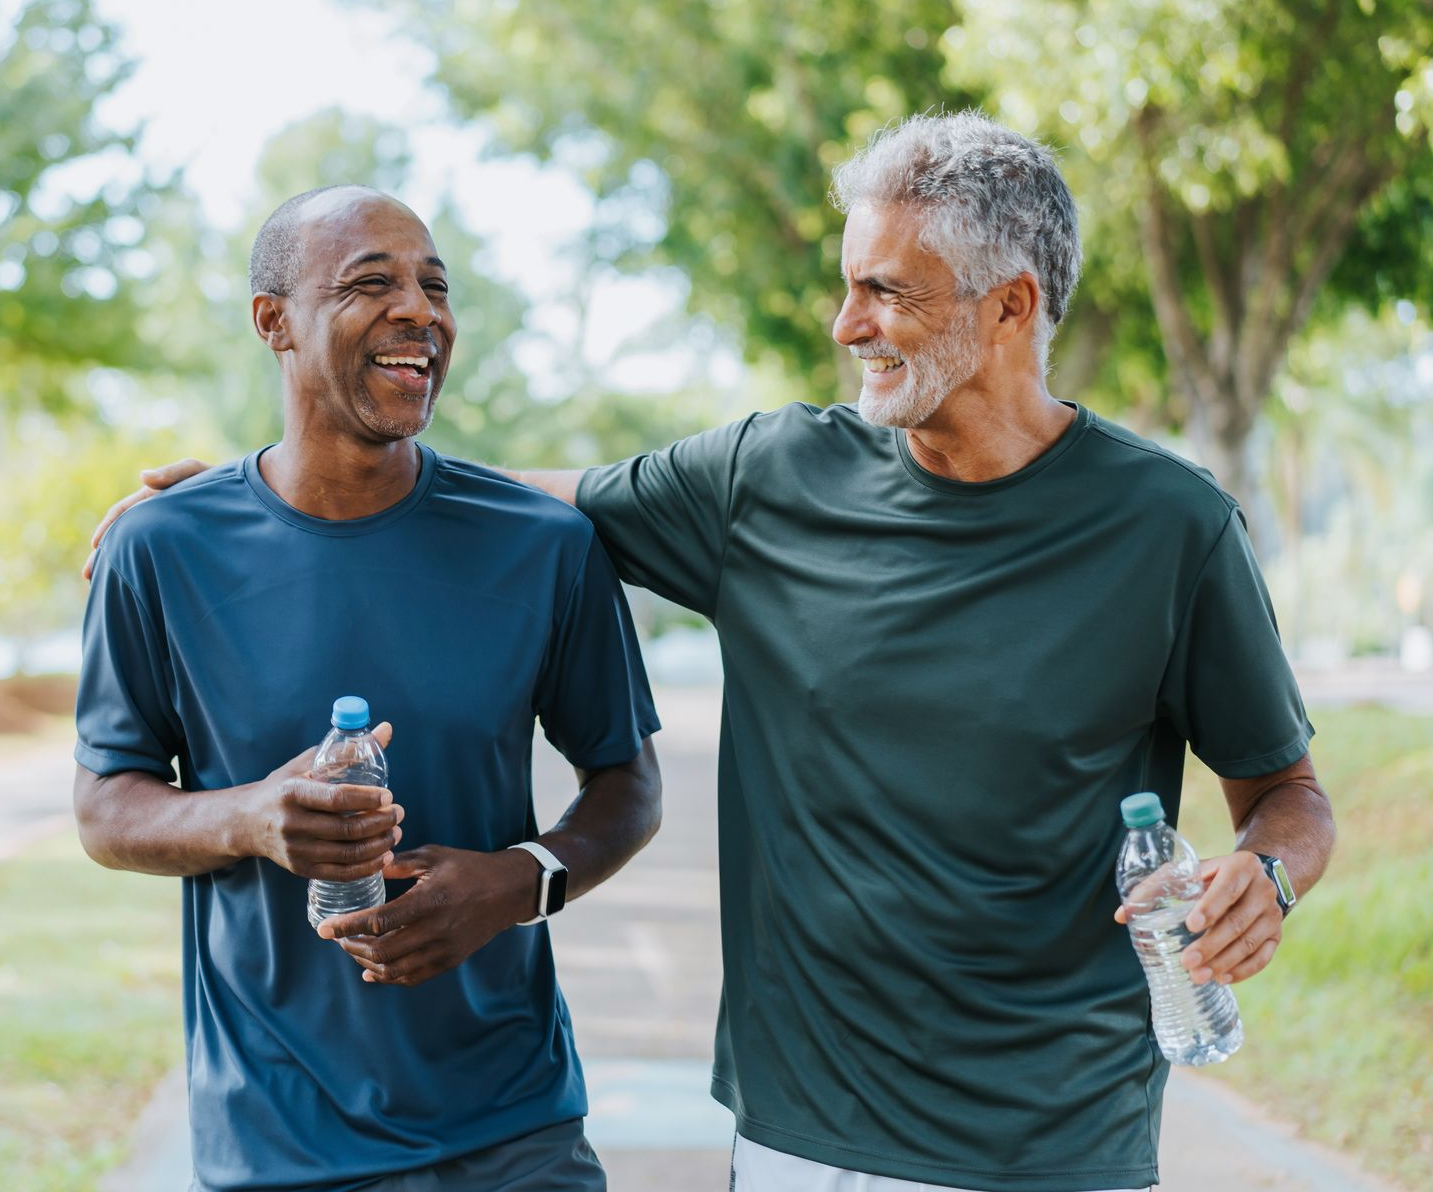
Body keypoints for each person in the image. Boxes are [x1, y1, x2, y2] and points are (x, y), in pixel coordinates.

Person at [90, 113, 1336, 1192]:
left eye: (887, 291)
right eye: (849, 282)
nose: (846, 322)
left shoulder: (1171, 527)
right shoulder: (771, 476)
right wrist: (260, 490)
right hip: (803, 1131)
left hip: (1060, 1134)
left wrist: (1263, 877)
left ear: (1010, 305)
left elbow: (1287, 794)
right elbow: (528, 499)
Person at [74, 185, 662, 1192]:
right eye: (370, 283)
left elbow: (628, 783)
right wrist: (254, 816)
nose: (420, 312)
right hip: (279, 1141)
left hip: (516, 1131)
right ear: (275, 322)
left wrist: (518, 879)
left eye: (435, 287)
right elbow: (104, 806)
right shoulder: (161, 548)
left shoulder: (542, 545)